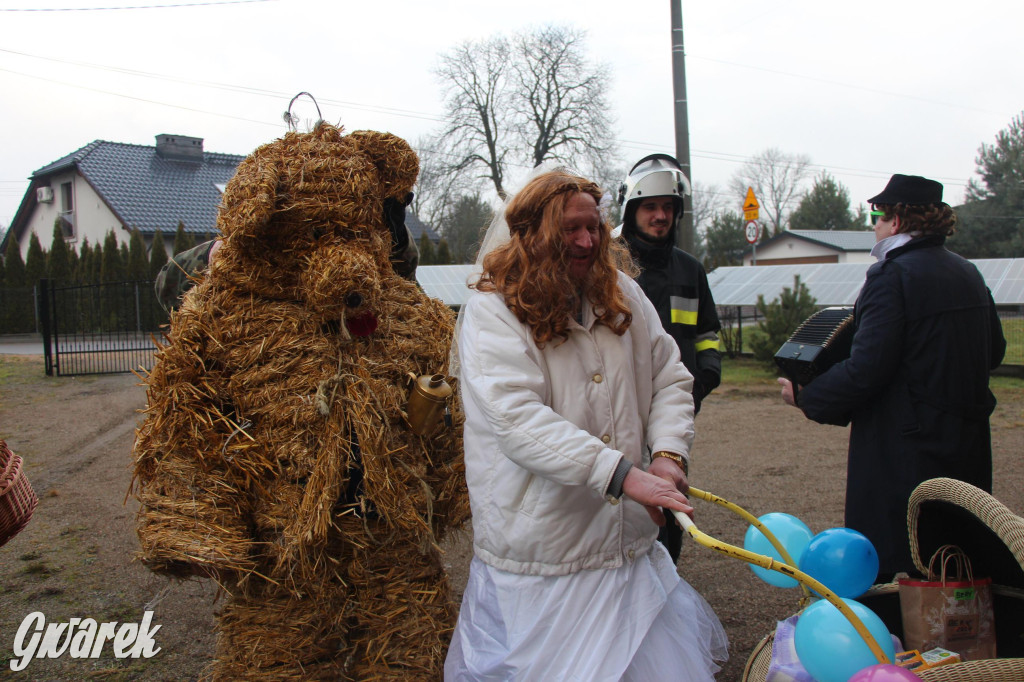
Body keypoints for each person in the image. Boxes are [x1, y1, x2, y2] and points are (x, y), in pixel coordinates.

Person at [445, 169, 728, 681]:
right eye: (570, 229)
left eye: (594, 227)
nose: (587, 240)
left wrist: (667, 454)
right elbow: (517, 421)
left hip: (624, 549)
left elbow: (669, 375)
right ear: (530, 233)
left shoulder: (620, 294)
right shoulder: (494, 312)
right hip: (546, 556)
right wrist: (624, 474)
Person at [778, 174, 1006, 581]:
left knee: (902, 563)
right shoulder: (969, 272)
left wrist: (808, 395)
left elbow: (867, 369)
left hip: (906, 454)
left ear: (898, 221)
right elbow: (995, 351)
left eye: (878, 216)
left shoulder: (891, 275)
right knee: (959, 557)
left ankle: (902, 641)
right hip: (967, 449)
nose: (874, 226)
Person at [616, 153, 722, 565]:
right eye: (650, 207)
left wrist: (707, 372)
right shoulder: (610, 263)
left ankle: (665, 583)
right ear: (632, 210)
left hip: (672, 407)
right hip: (620, 405)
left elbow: (707, 331)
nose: (660, 216)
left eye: (667, 208)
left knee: (668, 501)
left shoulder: (690, 270)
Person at [154, 194, 420, 313]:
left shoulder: (362, 255)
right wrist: (215, 255)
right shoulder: (261, 259)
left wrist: (395, 240)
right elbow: (168, 289)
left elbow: (411, 301)